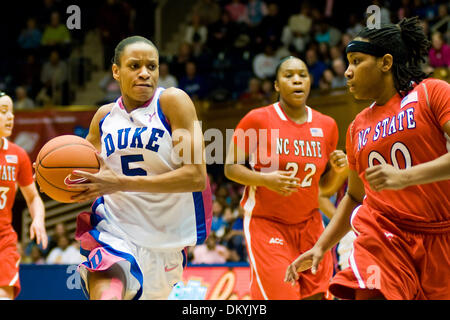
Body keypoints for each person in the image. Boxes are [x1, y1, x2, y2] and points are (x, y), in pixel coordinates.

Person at [285, 17, 450, 300]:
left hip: (440, 237)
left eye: (356, 61)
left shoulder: (432, 92)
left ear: (385, 63)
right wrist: (321, 246)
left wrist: (404, 177)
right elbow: (354, 197)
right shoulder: (357, 127)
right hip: (383, 235)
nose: (347, 72)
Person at [66, 36, 212, 300]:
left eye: (152, 67)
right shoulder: (104, 118)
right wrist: (49, 176)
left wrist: (120, 182)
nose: (145, 73)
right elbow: (79, 167)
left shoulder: (173, 103)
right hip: (115, 231)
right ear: (116, 71)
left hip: (165, 242)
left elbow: (195, 177)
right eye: (134, 66)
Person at [224, 56, 348, 300]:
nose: (296, 80)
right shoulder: (258, 119)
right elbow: (230, 167)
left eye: (302, 75)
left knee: (317, 297)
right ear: (277, 85)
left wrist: (339, 173)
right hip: (267, 223)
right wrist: (265, 180)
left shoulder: (327, 125)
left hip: (310, 225)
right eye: (289, 76)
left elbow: (323, 190)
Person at [0, 92, 47, 299]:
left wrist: (37, 219)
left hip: (4, 241)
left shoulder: (18, 155)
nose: (10, 117)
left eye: (11, 112)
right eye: (3, 111)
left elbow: (33, 197)